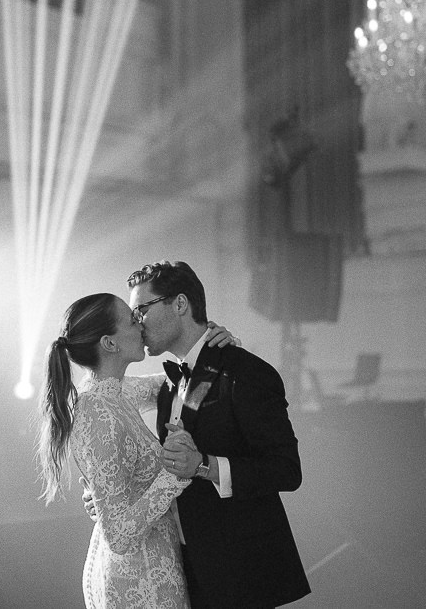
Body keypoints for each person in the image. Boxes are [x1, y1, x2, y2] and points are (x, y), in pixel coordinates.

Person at [127, 260, 311, 609]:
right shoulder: (170, 384)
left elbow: (287, 470)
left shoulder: (246, 372)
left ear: (180, 304)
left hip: (242, 574)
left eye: (142, 310)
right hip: (186, 571)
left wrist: (203, 465)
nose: (137, 322)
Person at [36, 291, 236, 609]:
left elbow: (187, 386)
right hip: (138, 581)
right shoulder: (96, 411)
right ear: (109, 343)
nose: (141, 324)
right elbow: (118, 536)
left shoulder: (117, 391)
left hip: (156, 565)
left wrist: (219, 349)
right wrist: (176, 472)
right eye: (132, 319)